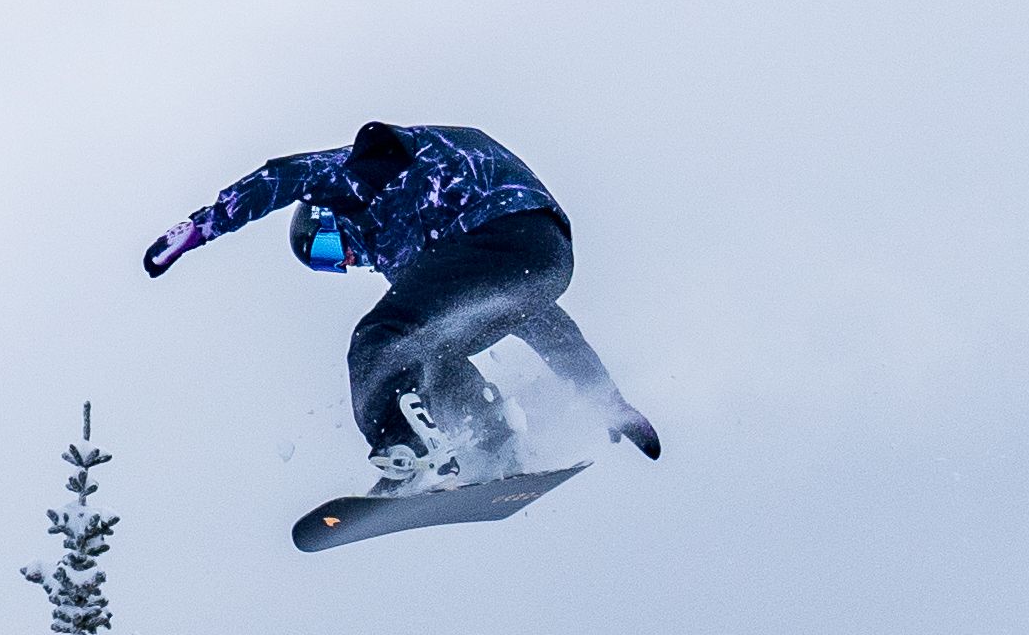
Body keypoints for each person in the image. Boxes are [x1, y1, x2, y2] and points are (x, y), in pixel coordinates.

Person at [143, 117, 656, 485]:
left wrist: (201, 227)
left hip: (495, 222)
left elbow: (283, 176)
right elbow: (545, 324)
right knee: (431, 351)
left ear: (330, 216)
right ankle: (495, 444)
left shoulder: (361, 174)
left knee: (380, 339)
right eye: (329, 264)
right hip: (546, 256)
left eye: (328, 247)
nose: (346, 261)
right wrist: (605, 398)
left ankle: (404, 447)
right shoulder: (423, 255)